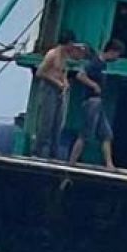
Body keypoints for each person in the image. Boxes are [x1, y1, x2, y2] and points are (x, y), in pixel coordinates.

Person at [69, 38, 125, 168]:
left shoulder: (103, 65)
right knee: (85, 134)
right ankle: (72, 162)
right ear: (111, 51)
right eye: (117, 54)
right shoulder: (95, 63)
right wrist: (94, 85)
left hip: (99, 103)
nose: (118, 57)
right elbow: (80, 75)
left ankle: (109, 165)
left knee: (106, 134)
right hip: (91, 102)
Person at [34, 30, 85, 159]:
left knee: (58, 122)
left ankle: (53, 154)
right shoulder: (52, 55)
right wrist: (56, 82)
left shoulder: (65, 55)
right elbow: (40, 72)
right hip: (49, 88)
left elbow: (63, 72)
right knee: (47, 121)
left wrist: (65, 82)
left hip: (59, 89)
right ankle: (38, 152)